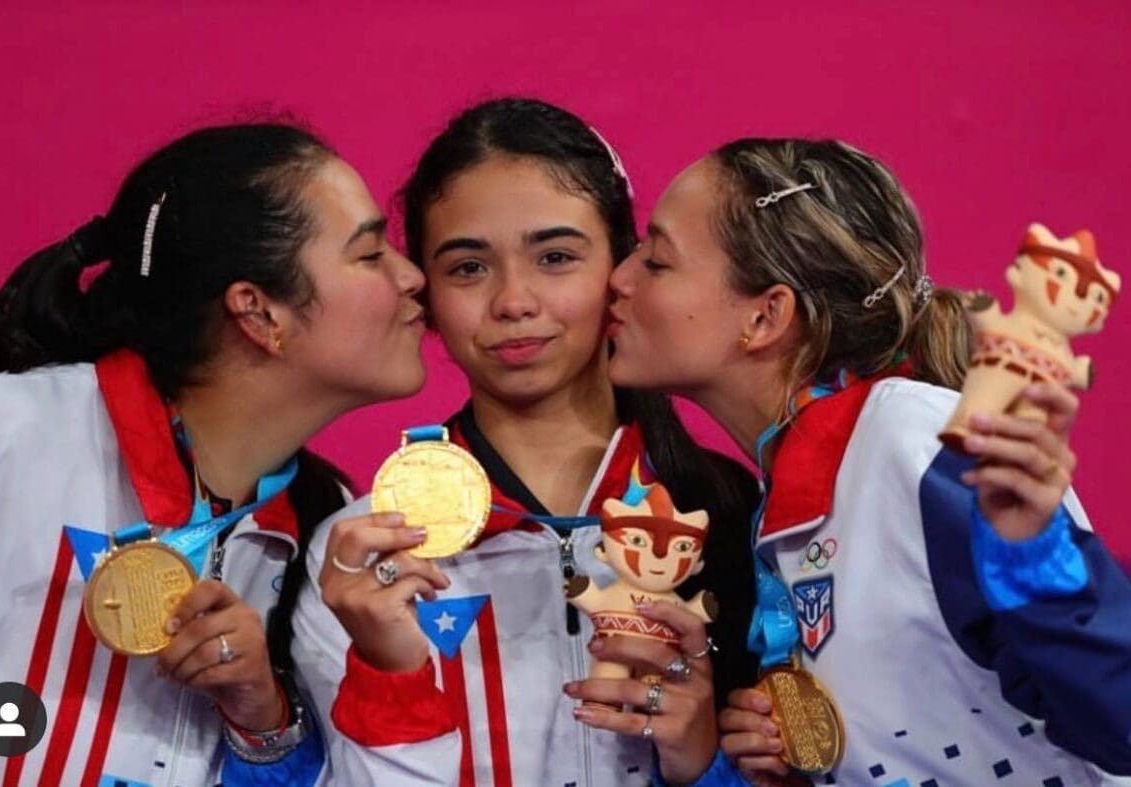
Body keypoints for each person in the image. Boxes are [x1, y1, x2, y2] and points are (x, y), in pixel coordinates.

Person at [606, 138, 1131, 785]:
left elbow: (1119, 715)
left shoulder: (919, 441)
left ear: (766, 315)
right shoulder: (787, 499)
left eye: (656, 260)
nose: (619, 278)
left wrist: (1036, 560)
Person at [0, 122, 427, 786]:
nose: (413, 276)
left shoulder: (327, 527)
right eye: (370, 254)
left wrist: (263, 718)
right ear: (259, 313)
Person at [291, 98, 761, 786]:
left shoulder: (735, 513)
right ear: (423, 293)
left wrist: (704, 766)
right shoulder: (365, 555)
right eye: (468, 268)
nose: (514, 300)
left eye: (555, 256)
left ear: (623, 271)